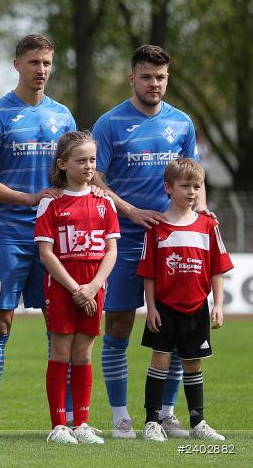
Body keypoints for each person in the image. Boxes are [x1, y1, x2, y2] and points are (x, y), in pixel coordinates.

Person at [92, 45, 206, 438]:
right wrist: (129, 211)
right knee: (119, 325)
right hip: (123, 238)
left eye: (160, 77)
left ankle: (166, 412)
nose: (153, 83)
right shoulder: (109, 124)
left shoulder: (183, 123)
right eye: (146, 77)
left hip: (173, 242)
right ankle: (120, 415)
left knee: (175, 328)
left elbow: (195, 176)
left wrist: (201, 216)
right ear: (132, 79)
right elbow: (96, 179)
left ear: (167, 78)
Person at [0, 34, 76, 442]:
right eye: (34, 62)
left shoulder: (63, 117)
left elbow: (77, 175)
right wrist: (30, 198)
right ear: (17, 65)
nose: (42, 70)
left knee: (61, 327)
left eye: (47, 62)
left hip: (54, 237)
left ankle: (64, 421)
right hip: (8, 233)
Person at [33, 131, 119, 444]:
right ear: (63, 164)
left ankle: (81, 423)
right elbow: (46, 254)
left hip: (94, 287)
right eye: (81, 160)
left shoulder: (104, 202)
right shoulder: (50, 204)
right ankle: (58, 426)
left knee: (83, 355)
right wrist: (76, 290)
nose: (88, 166)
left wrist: (94, 285)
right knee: (60, 352)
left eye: (92, 160)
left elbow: (111, 251)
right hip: (62, 286)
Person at [137, 159, 231, 442]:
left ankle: (198, 421)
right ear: (168, 187)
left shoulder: (208, 225)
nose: (192, 192)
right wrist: (151, 307)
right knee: (160, 361)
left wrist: (218, 304)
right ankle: (152, 421)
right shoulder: (156, 227)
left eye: (197, 186)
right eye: (185, 186)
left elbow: (217, 269)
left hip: (197, 307)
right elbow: (149, 274)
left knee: (193, 364)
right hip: (164, 308)